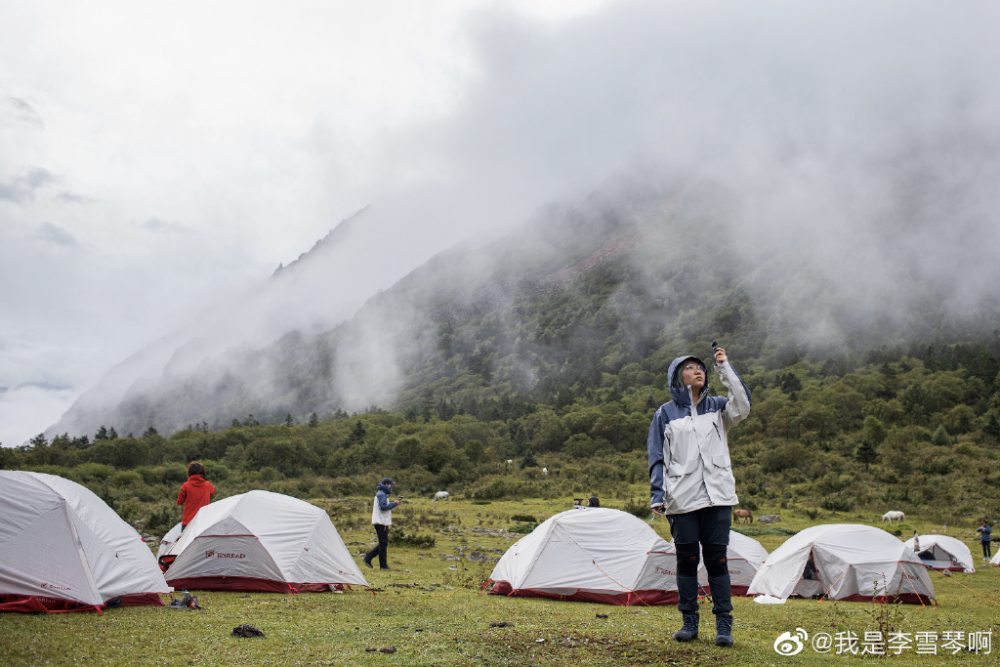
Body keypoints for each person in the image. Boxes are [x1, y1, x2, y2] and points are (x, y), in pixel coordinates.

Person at [647, 346, 751, 648]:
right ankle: (689, 623)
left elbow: (743, 405)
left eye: (702, 368)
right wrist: (658, 493)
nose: (699, 370)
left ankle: (724, 626)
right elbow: (657, 455)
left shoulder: (718, 408)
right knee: (687, 561)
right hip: (681, 500)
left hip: (718, 497)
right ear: (677, 376)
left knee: (718, 561)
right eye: (691, 367)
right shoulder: (665, 413)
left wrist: (724, 367)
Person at [363, 477, 402, 570]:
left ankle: (369, 558)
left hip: (381, 521)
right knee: (383, 544)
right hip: (380, 522)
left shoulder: (382, 494)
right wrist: (395, 503)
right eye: (390, 485)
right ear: (386, 484)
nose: (390, 487)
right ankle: (382, 565)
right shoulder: (382, 494)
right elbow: (383, 507)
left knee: (383, 543)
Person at [176, 461, 215, 531]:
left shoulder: (186, 486)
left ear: (189, 473)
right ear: (202, 472)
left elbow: (179, 502)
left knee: (185, 542)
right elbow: (212, 491)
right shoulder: (207, 485)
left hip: (188, 521)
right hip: (203, 521)